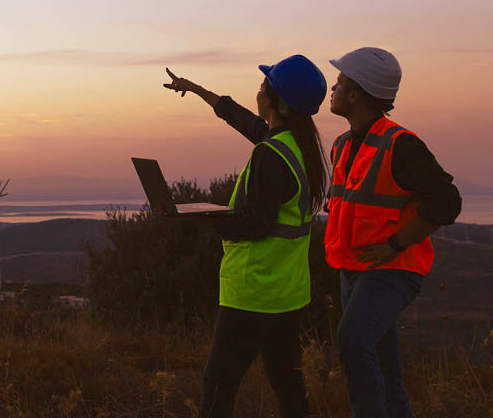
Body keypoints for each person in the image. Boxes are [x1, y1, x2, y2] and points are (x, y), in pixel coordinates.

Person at [164, 54, 328, 418]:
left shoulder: (271, 154)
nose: (257, 92)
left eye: (261, 87)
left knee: (218, 388)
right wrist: (196, 90)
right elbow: (240, 117)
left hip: (253, 290)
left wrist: (208, 217)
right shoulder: (296, 146)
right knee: (289, 390)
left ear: (273, 100)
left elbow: (256, 224)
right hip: (286, 291)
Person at [324, 47, 462, 417]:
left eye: (339, 83)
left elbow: (447, 201)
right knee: (383, 363)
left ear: (355, 93)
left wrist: (395, 244)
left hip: (392, 270)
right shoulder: (342, 145)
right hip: (353, 269)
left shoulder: (401, 144)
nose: (332, 90)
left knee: (353, 342)